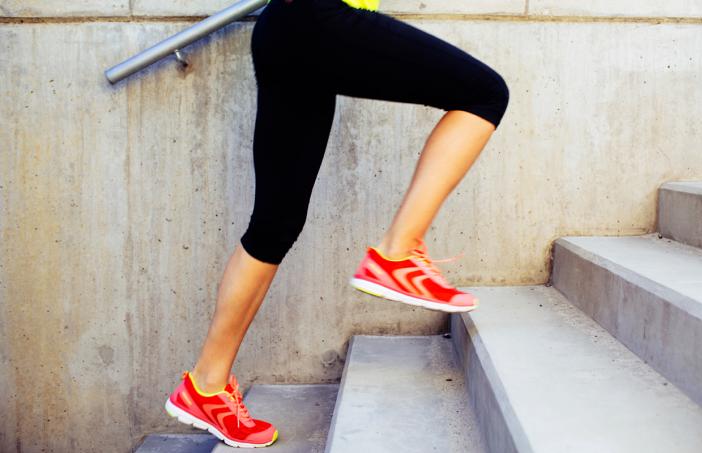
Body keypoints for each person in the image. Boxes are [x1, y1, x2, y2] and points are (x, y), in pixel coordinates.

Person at [164, 0, 509, 447]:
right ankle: (398, 254)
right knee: (484, 92)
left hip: (286, 31)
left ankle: (206, 385)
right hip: (315, 20)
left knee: (276, 223)